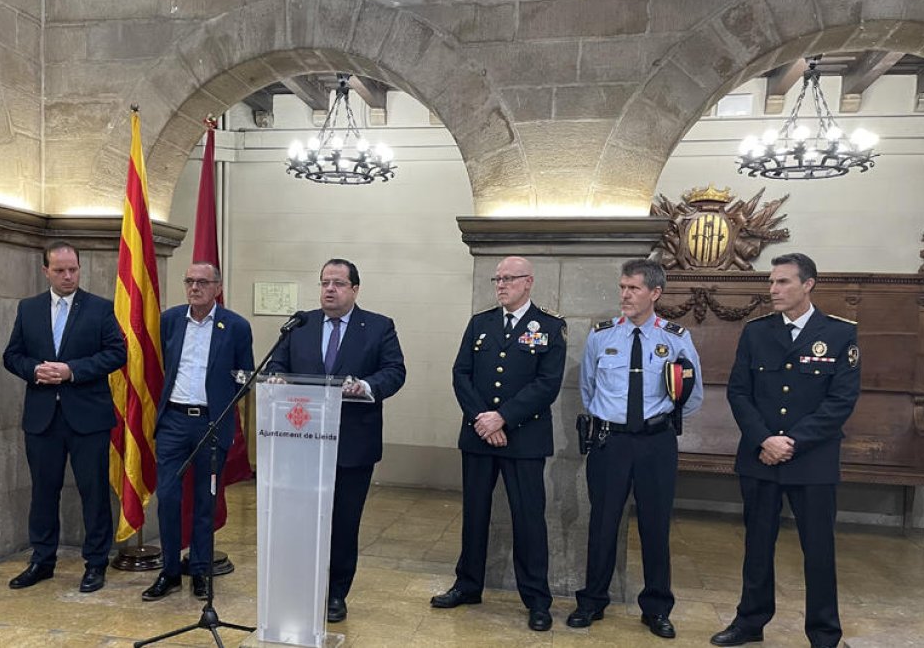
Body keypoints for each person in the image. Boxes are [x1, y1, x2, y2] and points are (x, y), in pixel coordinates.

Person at [711, 253, 860, 648]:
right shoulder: (757, 331)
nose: (773, 289)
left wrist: (791, 442)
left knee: (819, 551)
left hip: (812, 461)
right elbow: (739, 392)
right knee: (757, 545)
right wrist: (765, 439)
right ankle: (750, 621)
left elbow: (841, 401)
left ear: (808, 284)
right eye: (772, 282)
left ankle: (824, 633)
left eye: (783, 282)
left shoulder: (840, 333)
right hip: (760, 456)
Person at [568, 258, 703, 639]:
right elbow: (588, 389)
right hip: (610, 442)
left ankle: (657, 608)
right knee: (603, 523)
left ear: (655, 293)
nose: (625, 295)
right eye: (623, 287)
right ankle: (592, 601)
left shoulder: (675, 339)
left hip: (656, 443)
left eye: (634, 289)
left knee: (655, 526)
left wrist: (658, 422)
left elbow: (692, 396)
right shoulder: (602, 336)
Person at [431, 255, 566, 632]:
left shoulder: (551, 327)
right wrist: (482, 419)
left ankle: (537, 599)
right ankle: (468, 585)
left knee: (529, 520)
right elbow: (461, 373)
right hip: (479, 437)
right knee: (475, 514)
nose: (501, 284)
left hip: (524, 439)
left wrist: (502, 417)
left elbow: (547, 384)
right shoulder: (481, 323)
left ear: (528, 282)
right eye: (497, 279)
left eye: (509, 278)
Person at [266, 258, 406, 623]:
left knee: (343, 523)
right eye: (325, 282)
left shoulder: (378, 327)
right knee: (301, 519)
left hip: (352, 444)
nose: (329, 289)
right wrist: (277, 379)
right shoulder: (301, 324)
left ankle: (336, 593)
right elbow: (276, 364)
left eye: (338, 283)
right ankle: (302, 585)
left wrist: (367, 386)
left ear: (355, 289)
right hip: (300, 440)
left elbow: (394, 372)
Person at [2, 241, 126, 593]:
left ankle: (96, 563)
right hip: (43, 418)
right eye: (60, 270)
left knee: (94, 492)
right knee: (43, 491)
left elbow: (116, 353)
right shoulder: (28, 309)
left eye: (73, 269)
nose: (68, 275)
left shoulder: (100, 309)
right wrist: (35, 369)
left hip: (88, 417)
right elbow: (12, 356)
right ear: (46, 271)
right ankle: (42, 560)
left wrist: (71, 371)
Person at [142, 262, 254, 602]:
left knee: (206, 499)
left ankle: (201, 570)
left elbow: (244, 377)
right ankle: (170, 571)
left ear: (217, 287)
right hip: (174, 421)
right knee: (169, 498)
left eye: (202, 282)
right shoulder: (171, 320)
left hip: (211, 424)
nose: (194, 287)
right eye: (189, 281)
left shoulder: (235, 326)